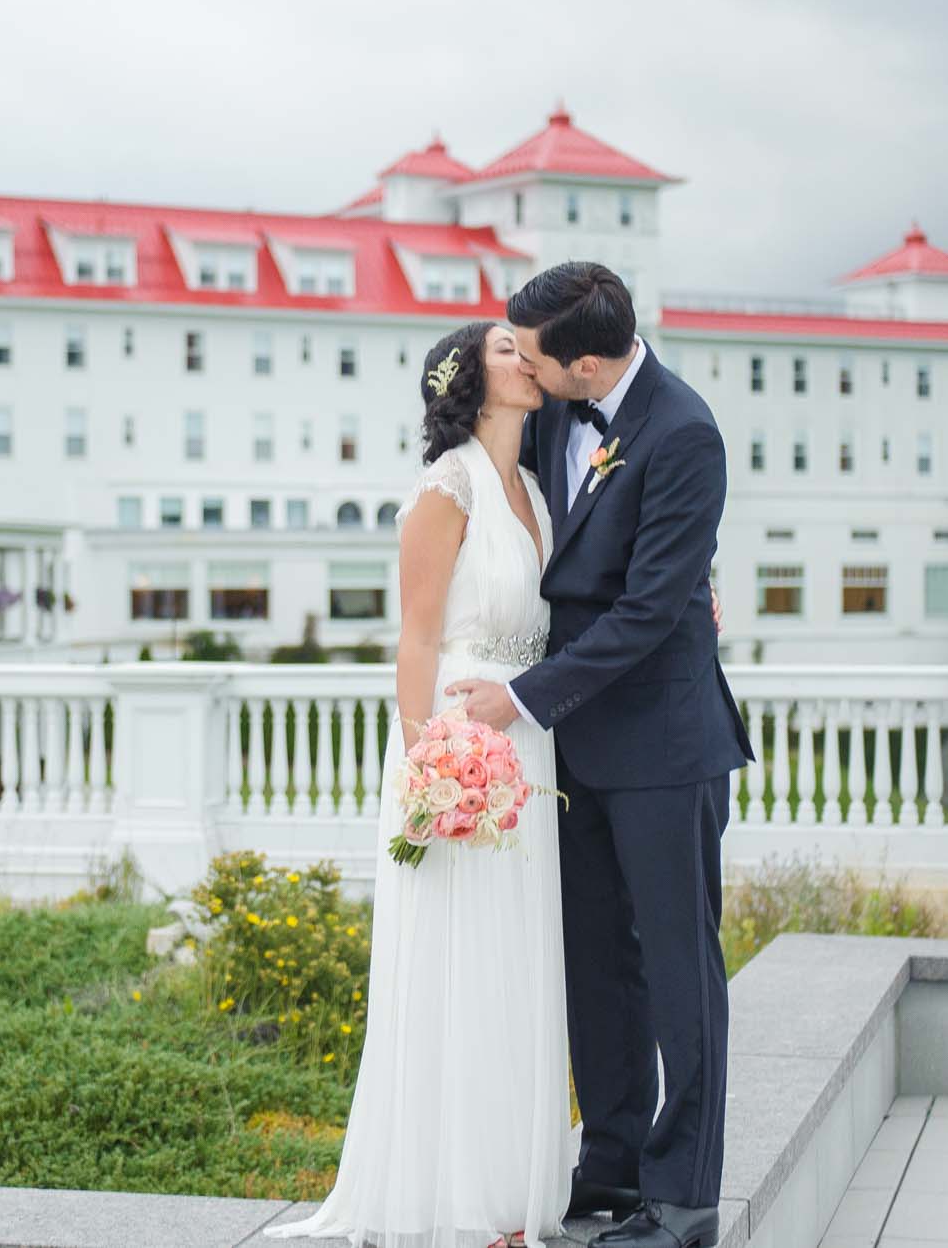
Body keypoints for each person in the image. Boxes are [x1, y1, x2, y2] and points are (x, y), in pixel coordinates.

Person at [448, 263, 753, 1248]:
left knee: (677, 971)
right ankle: (612, 1163)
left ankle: (683, 1197)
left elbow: (648, 609)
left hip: (663, 742)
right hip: (571, 748)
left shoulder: (685, 431)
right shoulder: (552, 413)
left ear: (585, 363)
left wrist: (519, 698)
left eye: (535, 357)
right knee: (596, 966)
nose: (524, 370)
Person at [268, 319, 571, 1248]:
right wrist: (428, 763)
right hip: (459, 739)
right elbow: (417, 635)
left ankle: (511, 1192)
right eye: (507, 349)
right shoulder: (446, 487)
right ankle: (454, 1199)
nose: (527, 357)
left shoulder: (533, 486)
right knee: (461, 963)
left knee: (516, 962)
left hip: (528, 742)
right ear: (470, 382)